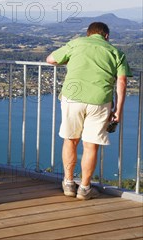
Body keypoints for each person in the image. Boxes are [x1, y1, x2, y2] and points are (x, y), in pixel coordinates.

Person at [46, 22, 131, 200]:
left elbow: (50, 59)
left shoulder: (77, 43)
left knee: (70, 140)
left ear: (88, 34)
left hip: (73, 98)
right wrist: (119, 111)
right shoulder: (116, 52)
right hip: (99, 101)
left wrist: (71, 60)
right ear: (106, 36)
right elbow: (121, 83)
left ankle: (68, 184)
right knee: (90, 145)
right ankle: (84, 188)